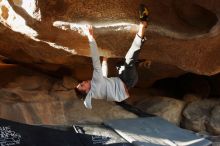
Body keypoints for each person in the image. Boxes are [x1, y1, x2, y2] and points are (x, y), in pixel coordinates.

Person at [75, 4, 149, 109]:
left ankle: (138, 63)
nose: (82, 82)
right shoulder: (95, 85)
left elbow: (104, 79)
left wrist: (105, 61)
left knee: (120, 64)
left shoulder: (95, 92)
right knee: (128, 60)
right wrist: (90, 37)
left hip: (122, 79)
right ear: (87, 91)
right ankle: (143, 24)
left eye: (80, 83)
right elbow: (95, 61)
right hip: (128, 80)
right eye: (82, 85)